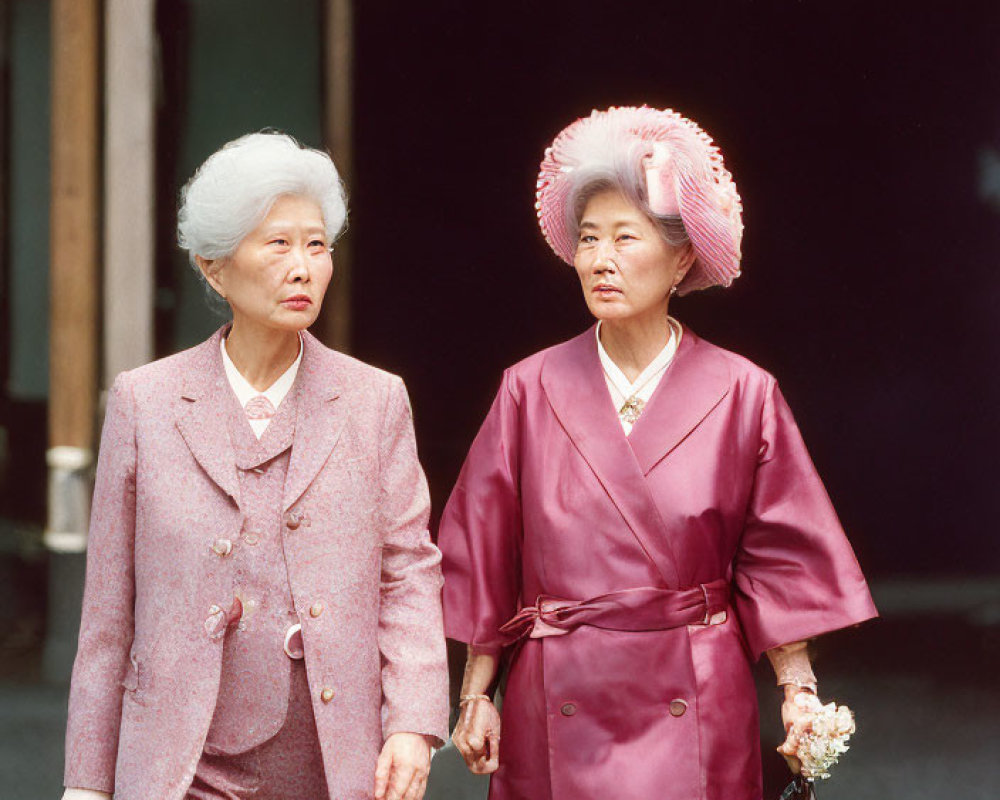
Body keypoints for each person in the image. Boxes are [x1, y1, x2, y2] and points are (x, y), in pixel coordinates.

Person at [438, 106, 878, 800]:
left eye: (623, 237)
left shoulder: (743, 392)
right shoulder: (528, 388)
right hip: (559, 689)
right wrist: (474, 694)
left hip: (696, 692)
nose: (600, 259)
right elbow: (484, 547)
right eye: (588, 239)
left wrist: (798, 692)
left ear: (680, 258)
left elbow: (782, 557)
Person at [61, 132, 449, 800]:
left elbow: (408, 573)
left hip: (330, 762)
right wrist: (86, 787)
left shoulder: (375, 400)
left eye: (317, 245)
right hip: (181, 762)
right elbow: (105, 622)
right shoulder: (144, 402)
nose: (302, 267)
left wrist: (413, 723)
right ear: (214, 268)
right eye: (277, 244)